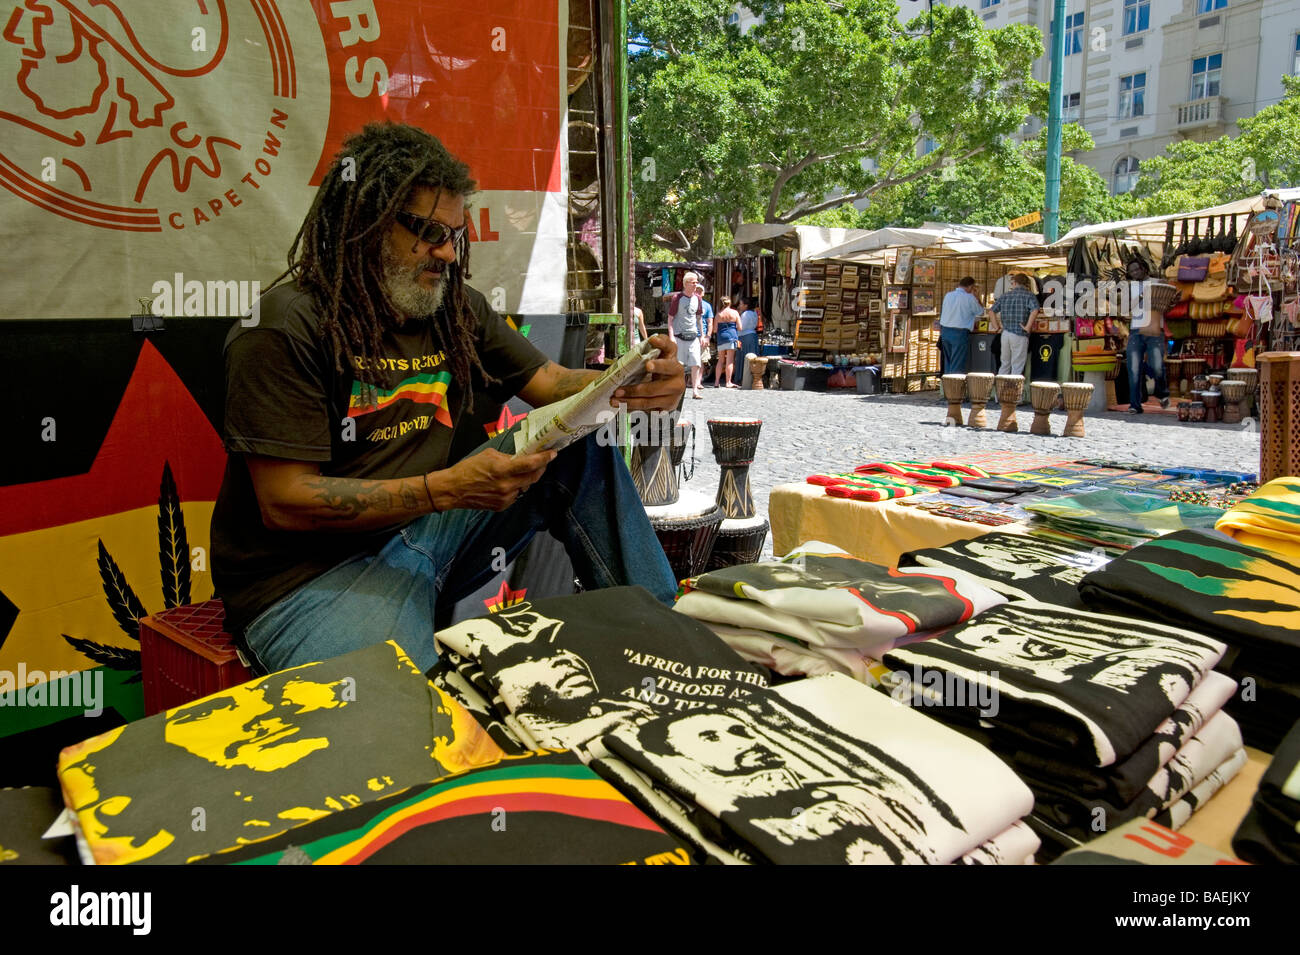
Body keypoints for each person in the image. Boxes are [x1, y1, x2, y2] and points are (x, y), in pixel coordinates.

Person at [210, 122, 685, 675]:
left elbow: (551, 384)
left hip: (433, 528)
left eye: (455, 235)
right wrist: (444, 490)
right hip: (313, 576)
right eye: (428, 232)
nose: (448, 255)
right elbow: (285, 501)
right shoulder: (284, 327)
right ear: (364, 224)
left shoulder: (454, 306)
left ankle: (665, 634)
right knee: (420, 726)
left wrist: (626, 383)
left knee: (579, 446)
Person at [1125, 260, 1170, 414]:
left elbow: (1170, 299)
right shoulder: (1130, 287)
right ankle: (1135, 405)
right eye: (1131, 271)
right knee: (1133, 368)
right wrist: (1144, 294)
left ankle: (1162, 393)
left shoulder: (1157, 283)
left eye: (1136, 269)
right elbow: (1128, 307)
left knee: (1157, 365)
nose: (1135, 273)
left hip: (1155, 329)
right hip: (1136, 330)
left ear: (1143, 268)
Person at [989, 273, 1040, 378]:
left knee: (1004, 364)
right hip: (1019, 333)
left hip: (1005, 333)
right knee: (1017, 366)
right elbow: (1035, 310)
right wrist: (1028, 327)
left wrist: (996, 327)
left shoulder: (1005, 295)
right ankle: (1014, 392)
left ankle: (1000, 393)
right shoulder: (1029, 295)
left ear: (1015, 283)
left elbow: (991, 311)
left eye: (1012, 283)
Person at [667, 271, 706, 399]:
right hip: (680, 336)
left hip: (693, 336)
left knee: (696, 363)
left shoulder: (698, 298)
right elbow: (670, 318)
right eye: (693, 282)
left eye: (696, 282)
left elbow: (699, 317)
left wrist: (702, 335)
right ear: (686, 283)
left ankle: (695, 390)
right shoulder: (677, 298)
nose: (696, 285)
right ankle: (679, 389)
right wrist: (671, 336)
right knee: (679, 365)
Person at [938, 277, 986, 376]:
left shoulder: (948, 295)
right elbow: (981, 312)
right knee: (957, 362)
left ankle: (947, 387)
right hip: (959, 332)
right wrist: (977, 297)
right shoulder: (969, 298)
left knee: (948, 361)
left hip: (945, 331)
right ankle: (955, 388)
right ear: (970, 287)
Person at [713, 296, 742, 388]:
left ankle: (717, 382)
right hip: (732, 337)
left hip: (721, 338)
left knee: (720, 360)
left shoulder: (718, 315)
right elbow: (740, 327)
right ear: (730, 303)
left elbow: (714, 330)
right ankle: (728, 382)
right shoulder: (735, 313)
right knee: (729, 360)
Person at [736, 298, 761, 384]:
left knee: (744, 356)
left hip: (745, 336)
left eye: (741, 304)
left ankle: (743, 377)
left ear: (746, 305)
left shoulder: (746, 314)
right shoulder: (754, 313)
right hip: (752, 335)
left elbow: (741, 327)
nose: (739, 306)